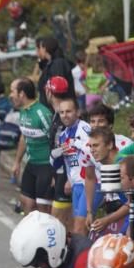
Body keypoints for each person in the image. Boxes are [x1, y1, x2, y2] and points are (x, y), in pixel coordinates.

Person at [10, 78, 55, 214]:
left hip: (46, 166)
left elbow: (55, 141)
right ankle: (29, 234)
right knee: (26, 202)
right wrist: (17, 162)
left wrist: (55, 173)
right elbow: (24, 137)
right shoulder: (23, 111)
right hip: (31, 164)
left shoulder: (42, 113)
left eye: (13, 91)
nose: (10, 95)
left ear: (21, 94)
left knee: (42, 209)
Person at [52, 96, 93, 234]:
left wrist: (77, 143)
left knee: (79, 228)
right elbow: (62, 163)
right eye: (62, 112)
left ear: (77, 112)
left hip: (89, 182)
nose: (65, 115)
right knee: (79, 227)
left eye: (68, 111)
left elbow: (94, 153)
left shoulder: (85, 129)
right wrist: (54, 154)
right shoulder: (63, 135)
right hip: (76, 184)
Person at [35, 37, 75, 109]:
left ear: (45, 48)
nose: (39, 51)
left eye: (40, 48)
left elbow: (58, 87)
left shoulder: (58, 64)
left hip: (60, 108)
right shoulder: (49, 65)